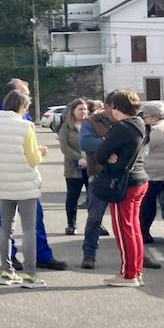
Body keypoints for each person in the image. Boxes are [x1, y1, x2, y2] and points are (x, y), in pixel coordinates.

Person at [0, 79, 67, 270]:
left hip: (6, 176)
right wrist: (38, 153)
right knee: (20, 222)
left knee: (22, 221)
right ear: (15, 95)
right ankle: (20, 260)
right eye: (26, 94)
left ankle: (34, 256)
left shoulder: (12, 118)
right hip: (13, 177)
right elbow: (29, 155)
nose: (29, 98)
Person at [0, 89, 48, 287]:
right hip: (26, 183)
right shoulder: (26, 126)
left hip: (2, 182)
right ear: (23, 107)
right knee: (28, 229)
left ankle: (6, 272)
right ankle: (30, 275)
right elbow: (33, 158)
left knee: (5, 228)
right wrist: (42, 151)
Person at [94, 89, 149, 288]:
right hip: (140, 179)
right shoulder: (140, 123)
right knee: (133, 228)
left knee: (123, 228)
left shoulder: (120, 128)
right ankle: (136, 270)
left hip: (123, 183)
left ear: (117, 108)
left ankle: (128, 274)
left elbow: (100, 154)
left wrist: (108, 153)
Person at [78, 98, 112, 270]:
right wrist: (111, 144)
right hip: (98, 175)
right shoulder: (91, 122)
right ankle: (89, 254)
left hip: (123, 176)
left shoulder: (127, 121)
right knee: (94, 219)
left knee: (130, 221)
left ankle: (138, 256)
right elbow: (85, 142)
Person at [138, 100, 164, 257]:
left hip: (155, 173)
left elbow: (142, 143)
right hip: (154, 171)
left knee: (147, 204)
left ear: (154, 115)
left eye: (145, 115)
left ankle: (144, 231)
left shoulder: (159, 129)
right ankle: (143, 231)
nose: (144, 118)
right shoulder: (160, 127)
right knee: (148, 203)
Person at [58, 99, 89, 235]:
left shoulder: (90, 126)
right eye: (80, 109)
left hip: (91, 167)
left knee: (94, 197)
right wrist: (79, 158)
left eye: (85, 109)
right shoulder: (66, 127)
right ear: (73, 111)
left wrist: (90, 159)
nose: (83, 112)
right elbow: (65, 147)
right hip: (73, 168)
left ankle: (96, 224)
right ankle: (71, 224)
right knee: (72, 197)